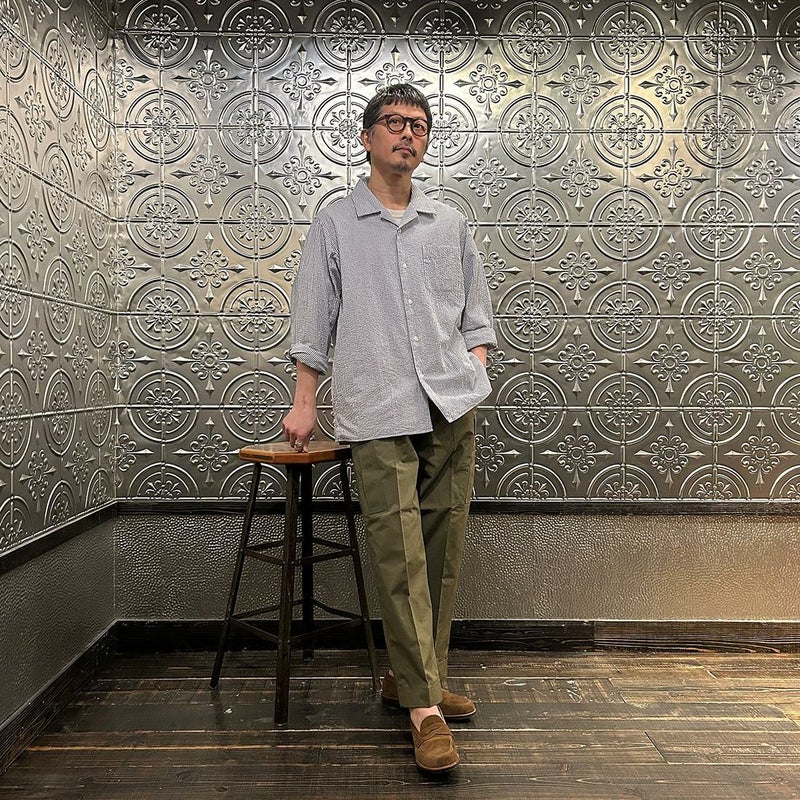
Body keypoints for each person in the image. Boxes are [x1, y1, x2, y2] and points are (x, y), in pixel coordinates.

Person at [282, 83, 496, 773]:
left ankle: (417, 678)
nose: (409, 134)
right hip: (377, 406)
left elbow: (477, 313)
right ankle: (424, 710)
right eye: (396, 122)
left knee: (441, 550)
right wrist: (305, 400)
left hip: (449, 404)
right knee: (398, 554)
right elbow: (314, 317)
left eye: (420, 125)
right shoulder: (336, 223)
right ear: (368, 136)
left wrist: (475, 366)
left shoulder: (449, 222)